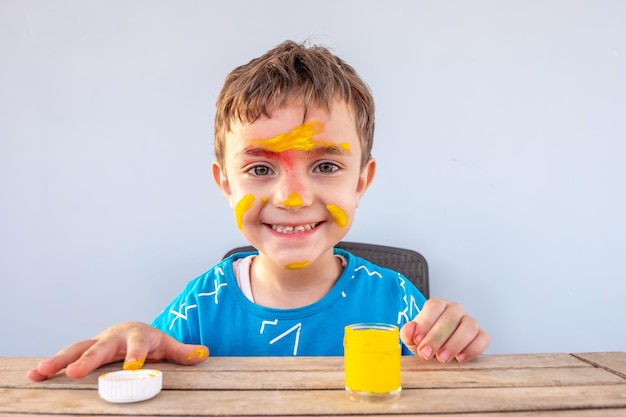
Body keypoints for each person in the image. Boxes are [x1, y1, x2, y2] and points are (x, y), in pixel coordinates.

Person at [28, 40, 489, 381]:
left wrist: (454, 339)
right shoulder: (200, 307)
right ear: (226, 184)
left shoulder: (398, 302)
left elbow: (450, 385)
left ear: (361, 182)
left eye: (326, 165)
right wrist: (136, 336)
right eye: (260, 168)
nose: (292, 197)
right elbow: (153, 354)